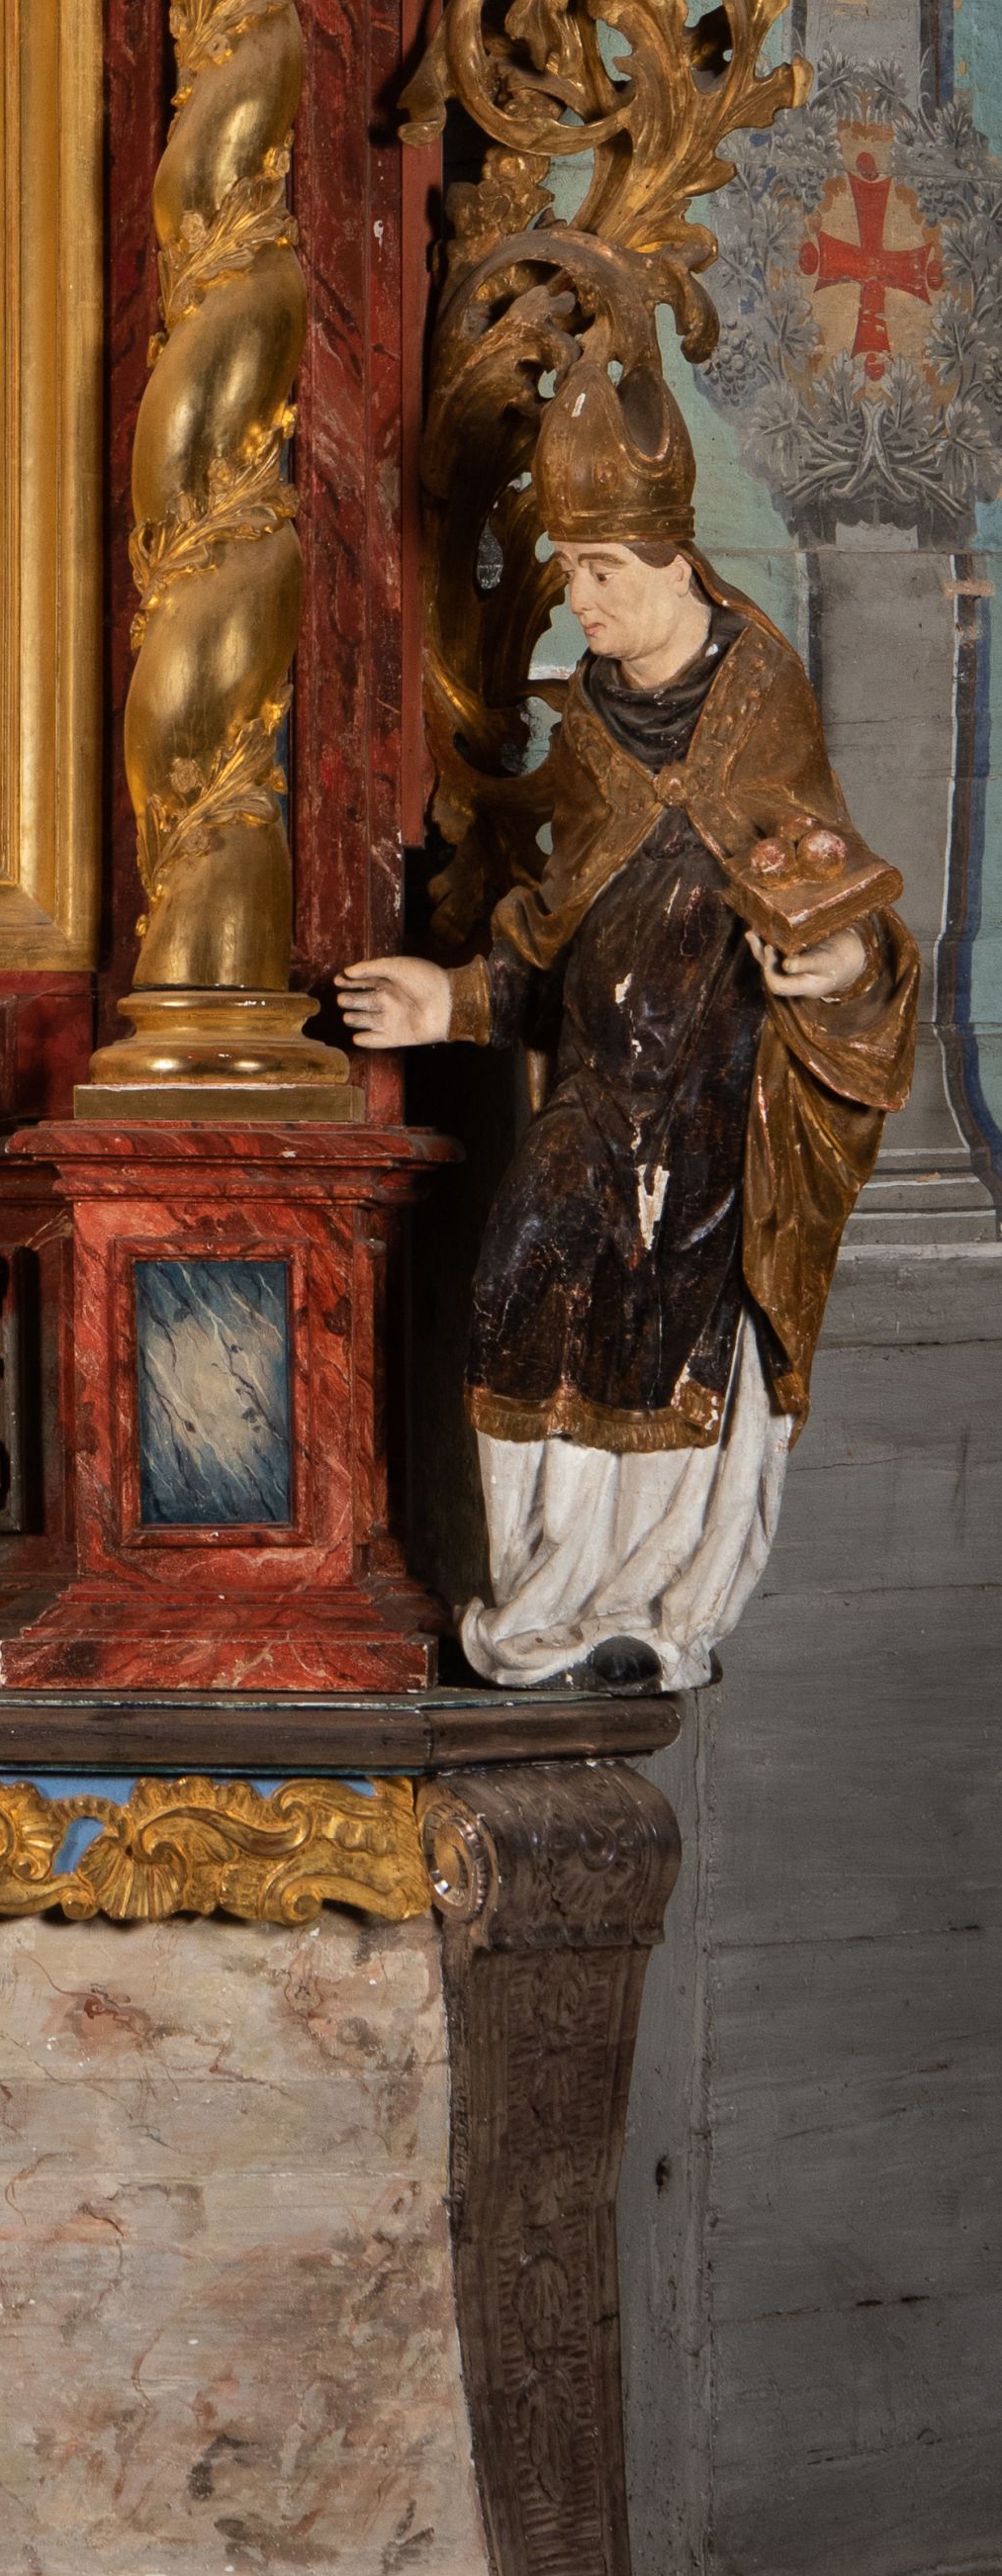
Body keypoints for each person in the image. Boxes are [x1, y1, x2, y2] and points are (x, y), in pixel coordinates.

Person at [338, 329, 915, 1691]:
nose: (577, 596)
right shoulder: (600, 716)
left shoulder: (758, 708)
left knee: (678, 1329)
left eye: (601, 568)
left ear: (675, 562)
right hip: (597, 1097)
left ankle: (654, 1607)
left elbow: (846, 910)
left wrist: (839, 966)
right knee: (518, 1274)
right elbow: (563, 926)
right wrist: (451, 995)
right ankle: (548, 1597)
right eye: (572, 565)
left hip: (716, 1111)